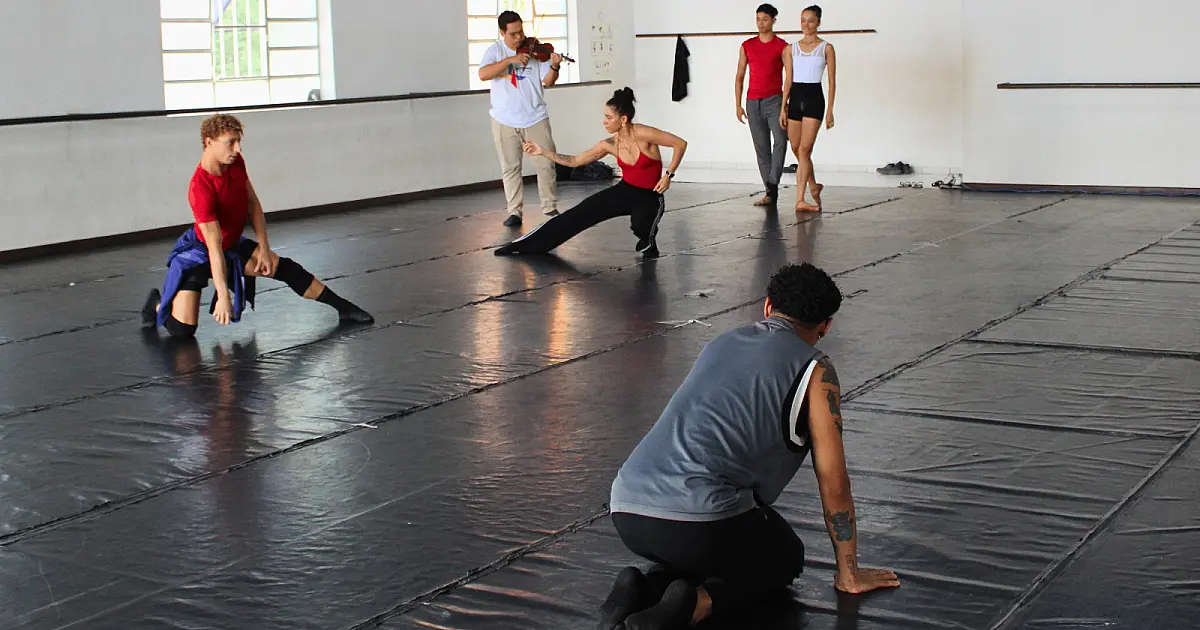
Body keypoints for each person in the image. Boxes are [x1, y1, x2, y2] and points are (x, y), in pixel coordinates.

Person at [596, 263, 899, 630]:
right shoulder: (817, 371)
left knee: (709, 541)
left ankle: (644, 588)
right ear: (825, 326)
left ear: (767, 307)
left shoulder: (721, 342)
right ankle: (696, 605)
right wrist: (848, 573)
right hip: (698, 521)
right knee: (783, 557)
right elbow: (834, 480)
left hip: (627, 509)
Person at [140, 113, 373, 338]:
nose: (238, 149)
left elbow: (253, 204)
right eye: (230, 143)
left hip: (229, 245)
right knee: (183, 331)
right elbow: (214, 245)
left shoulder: (236, 162)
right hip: (199, 254)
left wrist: (263, 247)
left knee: (282, 267)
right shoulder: (200, 188)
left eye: (239, 142)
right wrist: (223, 295)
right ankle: (156, 303)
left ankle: (344, 307)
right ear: (209, 142)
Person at [493, 88, 686, 259]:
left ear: (623, 119)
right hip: (624, 190)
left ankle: (648, 240)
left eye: (609, 118)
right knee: (578, 214)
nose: (604, 121)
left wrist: (668, 175)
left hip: (649, 195)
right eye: (604, 116)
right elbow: (576, 161)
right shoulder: (609, 144)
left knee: (641, 226)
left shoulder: (644, 134)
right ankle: (523, 246)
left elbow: (680, 144)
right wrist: (543, 152)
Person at [477, 10, 565, 227]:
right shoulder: (494, 51)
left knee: (545, 163)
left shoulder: (536, 49)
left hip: (535, 116)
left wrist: (554, 66)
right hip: (504, 119)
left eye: (521, 32)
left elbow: (549, 81)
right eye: (514, 34)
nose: (519, 38)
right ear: (502, 32)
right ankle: (514, 211)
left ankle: (550, 207)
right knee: (510, 167)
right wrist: (511, 59)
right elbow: (483, 74)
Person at [781, 5, 837, 213]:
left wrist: (830, 110)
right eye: (803, 20)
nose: (806, 24)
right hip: (795, 99)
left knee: (805, 150)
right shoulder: (791, 49)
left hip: (814, 100)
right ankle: (814, 185)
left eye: (811, 20)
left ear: (819, 23)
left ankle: (800, 199)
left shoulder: (826, 48)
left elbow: (832, 81)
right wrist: (783, 107)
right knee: (796, 149)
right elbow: (788, 80)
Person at [734, 4, 790, 207]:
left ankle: (773, 180)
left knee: (781, 140)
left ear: (774, 20)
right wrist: (738, 105)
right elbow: (739, 76)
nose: (760, 23)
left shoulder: (782, 46)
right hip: (752, 102)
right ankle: (770, 192)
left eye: (765, 19)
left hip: (775, 100)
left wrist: (784, 105)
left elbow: (788, 79)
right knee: (761, 148)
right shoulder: (747, 45)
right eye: (758, 19)